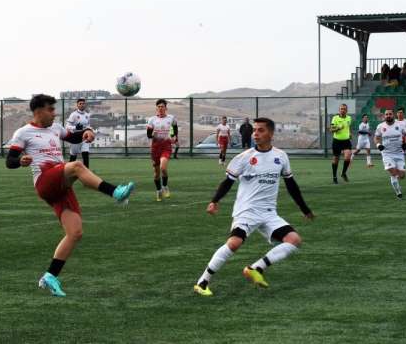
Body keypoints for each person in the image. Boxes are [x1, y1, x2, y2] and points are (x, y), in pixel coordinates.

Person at [5, 94, 135, 297]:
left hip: (60, 183)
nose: (54, 113)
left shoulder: (56, 128)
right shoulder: (23, 132)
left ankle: (50, 276)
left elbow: (74, 137)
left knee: (75, 233)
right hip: (45, 181)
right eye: (50, 109)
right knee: (76, 166)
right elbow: (10, 160)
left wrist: (88, 132)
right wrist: (20, 161)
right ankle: (115, 192)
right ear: (38, 111)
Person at [193, 118, 315, 296]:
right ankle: (203, 282)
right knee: (234, 243)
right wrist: (215, 200)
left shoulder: (281, 156)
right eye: (255, 130)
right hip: (247, 210)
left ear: (271, 134)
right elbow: (227, 182)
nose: (255, 134)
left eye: (260, 130)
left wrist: (304, 209)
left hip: (268, 213)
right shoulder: (244, 158)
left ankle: (256, 268)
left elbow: (291, 184)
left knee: (294, 240)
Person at [374, 109, 406, 199]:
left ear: (393, 115)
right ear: (384, 116)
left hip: (399, 153)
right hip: (387, 154)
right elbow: (376, 137)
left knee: (402, 175)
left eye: (390, 114)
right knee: (392, 172)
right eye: (386, 114)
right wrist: (378, 145)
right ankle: (398, 192)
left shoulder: (401, 125)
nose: (388, 116)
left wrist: (405, 143)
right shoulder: (380, 126)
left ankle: (397, 182)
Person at [147, 99, 178, 201]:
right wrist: (154, 134)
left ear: (166, 108)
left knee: (163, 168)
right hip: (155, 147)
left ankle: (165, 187)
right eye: (159, 107)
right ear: (156, 108)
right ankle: (159, 190)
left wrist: (174, 137)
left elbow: (174, 128)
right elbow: (148, 135)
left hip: (166, 145)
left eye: (162, 107)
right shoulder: (152, 120)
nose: (160, 108)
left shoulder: (171, 118)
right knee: (156, 173)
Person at [330, 103, 352, 184]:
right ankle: (334, 176)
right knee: (336, 159)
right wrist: (338, 128)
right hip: (337, 141)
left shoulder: (349, 118)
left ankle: (343, 173)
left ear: (346, 110)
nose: (343, 110)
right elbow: (331, 130)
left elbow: (348, 127)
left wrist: (350, 133)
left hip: (346, 141)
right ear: (339, 110)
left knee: (347, 157)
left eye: (344, 109)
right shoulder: (335, 118)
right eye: (341, 109)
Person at [66, 98, 91, 167]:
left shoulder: (87, 115)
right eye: (80, 104)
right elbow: (67, 126)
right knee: (73, 156)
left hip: (84, 137)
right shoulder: (73, 115)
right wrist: (75, 127)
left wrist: (89, 131)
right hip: (75, 137)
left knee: (85, 153)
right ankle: (68, 172)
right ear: (77, 105)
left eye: (83, 104)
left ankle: (87, 173)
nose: (82, 105)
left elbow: (88, 125)